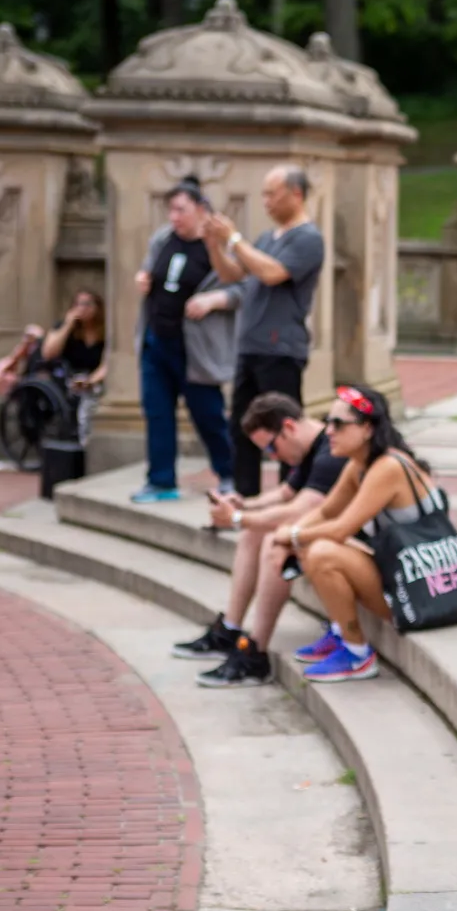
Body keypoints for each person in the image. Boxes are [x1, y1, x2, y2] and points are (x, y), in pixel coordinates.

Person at [174, 393, 347, 688]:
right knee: (257, 531)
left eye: (271, 447)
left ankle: (255, 653)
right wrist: (242, 506)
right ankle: (230, 630)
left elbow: (297, 510)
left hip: (362, 545)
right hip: (337, 535)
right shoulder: (311, 448)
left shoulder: (329, 454)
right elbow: (284, 494)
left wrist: (237, 519)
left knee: (276, 540)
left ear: (289, 427)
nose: (273, 457)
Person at [273, 385, 440, 684]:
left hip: (423, 589)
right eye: (327, 421)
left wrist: (291, 535)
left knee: (322, 552)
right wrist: (290, 536)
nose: (328, 432)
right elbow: (325, 512)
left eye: (338, 424)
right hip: (408, 574)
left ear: (366, 429)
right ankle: (341, 632)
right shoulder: (360, 465)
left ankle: (357, 654)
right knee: (312, 545)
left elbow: (340, 528)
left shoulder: (388, 467)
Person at [204, 165, 325, 498]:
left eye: (272, 194)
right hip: (250, 347)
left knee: (286, 430)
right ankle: (245, 500)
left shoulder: (309, 238)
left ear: (296, 194)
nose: (266, 201)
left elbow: (273, 273)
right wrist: (215, 245)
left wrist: (233, 238)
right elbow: (233, 274)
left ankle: (293, 496)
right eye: (264, 194)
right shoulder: (265, 238)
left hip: (281, 350)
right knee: (242, 428)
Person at [133, 181, 240, 502]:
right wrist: (143, 278)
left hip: (195, 349)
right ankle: (161, 480)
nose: (174, 217)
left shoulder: (219, 246)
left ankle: (230, 474)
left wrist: (214, 300)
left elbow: (242, 287)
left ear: (201, 210)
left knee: (208, 415)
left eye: (181, 210)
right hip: (157, 342)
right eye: (171, 210)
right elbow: (150, 269)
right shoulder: (162, 239)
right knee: (157, 412)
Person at [41, 289, 108, 441]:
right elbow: (48, 353)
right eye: (78, 304)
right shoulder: (65, 327)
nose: (82, 308)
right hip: (67, 379)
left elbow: (108, 364)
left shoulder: (106, 332)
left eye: (87, 304)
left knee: (90, 400)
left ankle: (86, 442)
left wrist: (91, 381)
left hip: (93, 380)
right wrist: (68, 325)